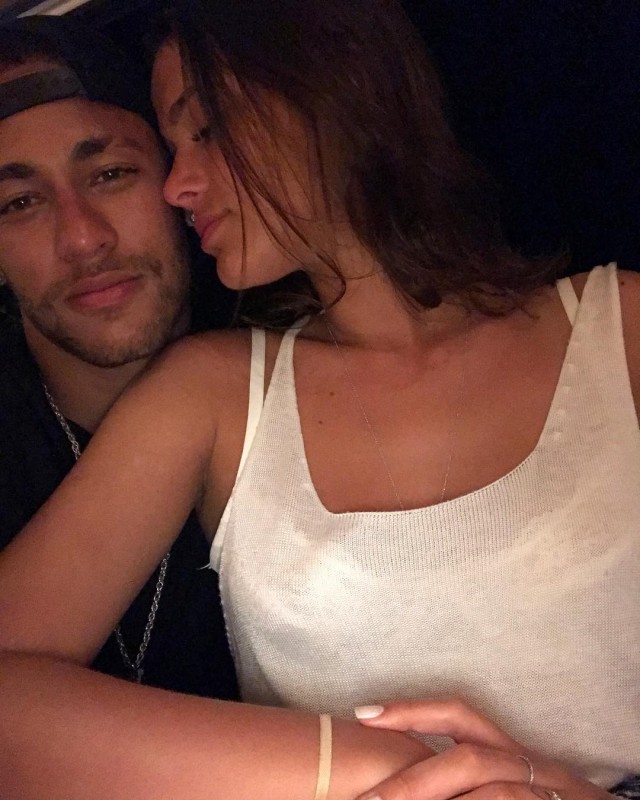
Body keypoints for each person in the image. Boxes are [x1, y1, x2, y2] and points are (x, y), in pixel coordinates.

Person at [0, 1, 638, 798]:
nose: (178, 185)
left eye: (207, 130)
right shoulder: (212, 392)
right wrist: (386, 768)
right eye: (170, 147)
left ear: (332, 92)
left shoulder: (621, 330)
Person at [0, 14, 237, 699]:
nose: (82, 238)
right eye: (19, 202)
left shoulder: (300, 375)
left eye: (110, 173)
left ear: (180, 183)